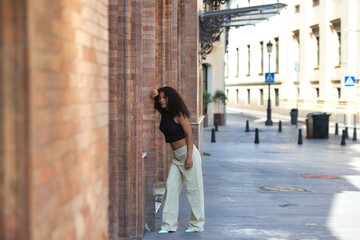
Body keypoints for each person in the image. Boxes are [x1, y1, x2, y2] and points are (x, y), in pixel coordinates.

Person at [150, 86, 205, 234]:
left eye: (164, 97)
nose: (161, 100)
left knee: (194, 190)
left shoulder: (179, 113)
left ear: (171, 98)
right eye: (160, 98)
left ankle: (196, 224)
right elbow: (152, 99)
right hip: (176, 157)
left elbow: (189, 135)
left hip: (188, 154)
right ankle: (168, 225)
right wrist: (154, 93)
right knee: (171, 187)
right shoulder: (164, 113)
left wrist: (189, 157)